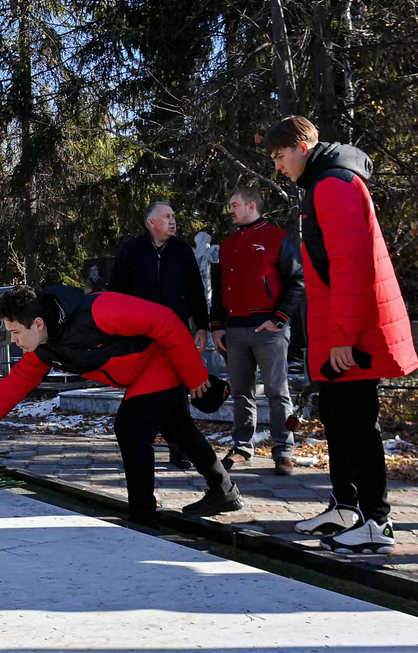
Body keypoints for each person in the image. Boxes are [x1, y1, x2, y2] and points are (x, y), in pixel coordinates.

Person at [0, 285, 243, 526]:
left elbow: (163, 320)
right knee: (177, 428)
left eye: (15, 332)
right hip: (139, 374)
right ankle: (223, 490)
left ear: (37, 323)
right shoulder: (44, 347)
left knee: (131, 427)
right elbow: (9, 390)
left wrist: (195, 375)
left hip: (158, 360)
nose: (13, 340)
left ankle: (142, 519)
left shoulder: (98, 309)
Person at [264, 116, 417, 554]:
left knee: (356, 425)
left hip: (351, 335)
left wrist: (345, 338)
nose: (277, 165)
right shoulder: (323, 184)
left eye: (280, 156)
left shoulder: (333, 184)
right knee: (336, 416)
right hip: (338, 330)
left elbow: (352, 267)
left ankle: (376, 522)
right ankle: (346, 507)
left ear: (305, 146)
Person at [210, 186, 305, 475]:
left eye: (234, 205)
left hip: (270, 329)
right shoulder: (227, 245)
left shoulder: (277, 239)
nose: (230, 210)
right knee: (241, 392)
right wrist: (216, 327)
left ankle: (284, 449)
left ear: (251, 206)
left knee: (278, 392)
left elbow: (297, 280)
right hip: (235, 331)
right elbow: (219, 289)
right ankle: (242, 446)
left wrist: (279, 318)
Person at [109, 202, 209, 469]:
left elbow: (196, 290)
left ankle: (181, 452)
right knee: (141, 392)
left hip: (175, 335)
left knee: (178, 393)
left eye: (174, 215)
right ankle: (141, 449)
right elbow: (115, 293)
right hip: (139, 336)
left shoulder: (182, 251)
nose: (173, 220)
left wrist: (202, 325)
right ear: (151, 222)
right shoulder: (131, 251)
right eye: (167, 216)